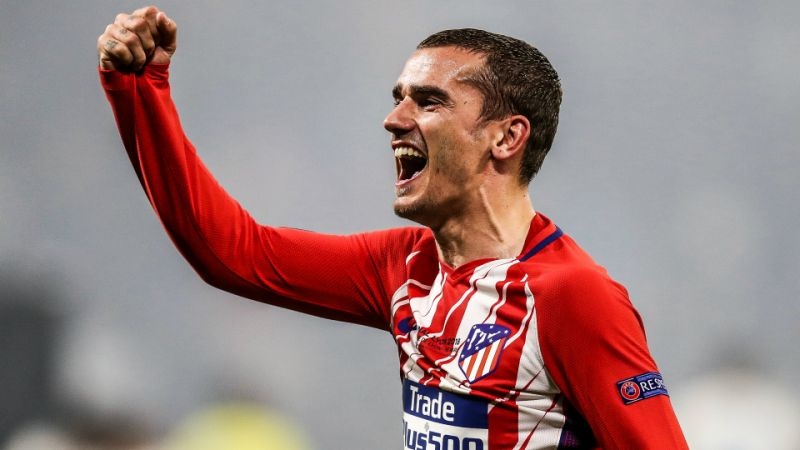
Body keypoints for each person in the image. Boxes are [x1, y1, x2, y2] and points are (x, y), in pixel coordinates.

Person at [97, 6, 688, 449]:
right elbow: (232, 253)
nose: (392, 119)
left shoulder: (570, 296)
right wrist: (141, 89)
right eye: (398, 97)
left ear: (507, 137)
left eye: (428, 102)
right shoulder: (405, 267)